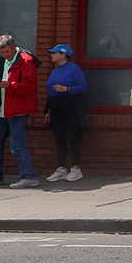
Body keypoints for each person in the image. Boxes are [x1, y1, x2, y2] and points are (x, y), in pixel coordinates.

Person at [0, 34, 40, 189]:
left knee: (17, 145)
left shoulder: (26, 61)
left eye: (7, 51)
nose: (4, 55)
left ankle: (29, 176)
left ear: (14, 47)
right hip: (3, 109)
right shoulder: (0, 62)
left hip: (18, 110)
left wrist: (9, 85)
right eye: (1, 52)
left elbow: (29, 86)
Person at [42, 44, 89, 182]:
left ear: (63, 54)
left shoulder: (74, 68)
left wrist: (67, 89)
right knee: (59, 137)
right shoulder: (55, 70)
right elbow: (50, 91)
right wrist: (49, 110)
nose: (51, 55)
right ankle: (61, 168)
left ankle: (76, 168)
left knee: (73, 136)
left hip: (71, 106)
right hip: (56, 107)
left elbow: (82, 86)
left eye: (54, 53)